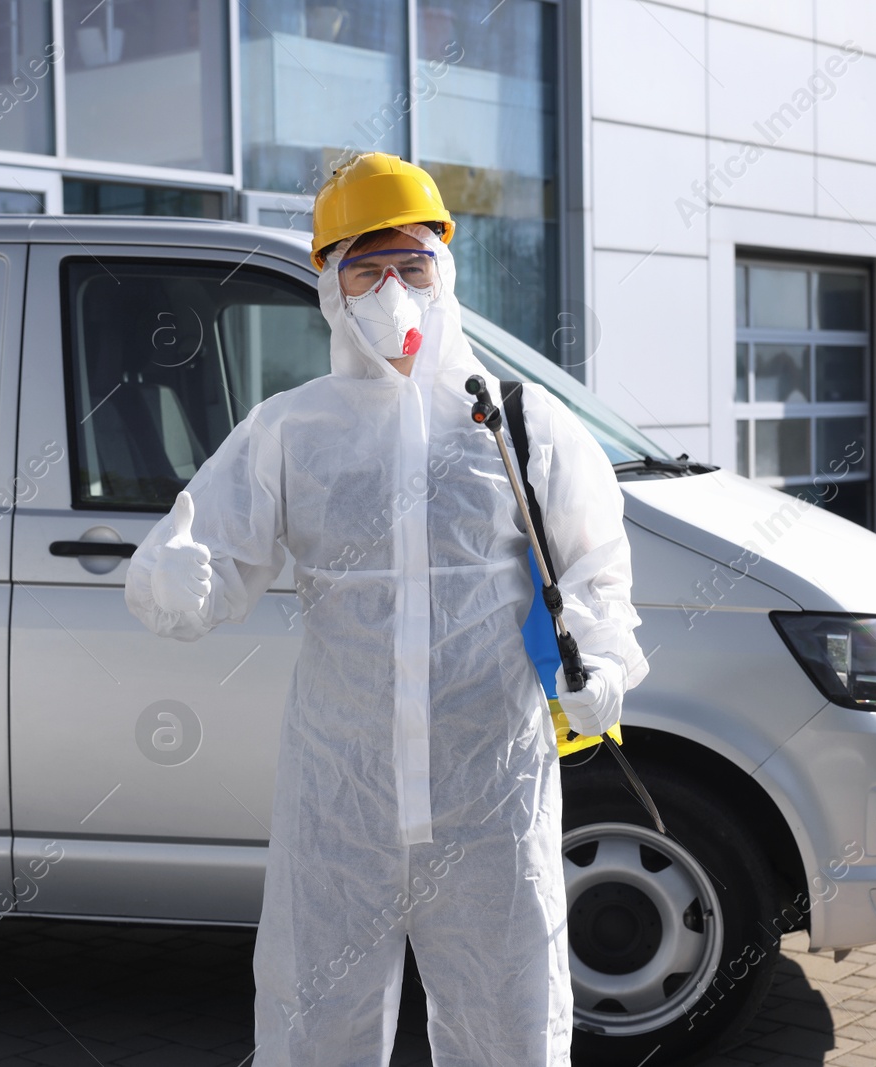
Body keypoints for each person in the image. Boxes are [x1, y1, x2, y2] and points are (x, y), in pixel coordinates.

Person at [125, 152, 647, 1066]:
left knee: (512, 1028)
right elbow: (212, 542)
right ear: (330, 286)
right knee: (313, 1026)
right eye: (365, 269)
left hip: (491, 790)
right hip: (342, 795)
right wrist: (179, 573)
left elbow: (595, 564)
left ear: (444, 273)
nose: (392, 291)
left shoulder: (519, 422)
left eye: (411, 266)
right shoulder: (296, 428)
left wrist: (603, 660)